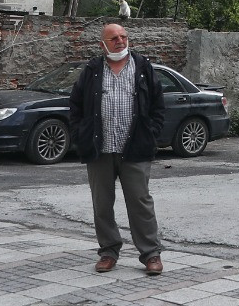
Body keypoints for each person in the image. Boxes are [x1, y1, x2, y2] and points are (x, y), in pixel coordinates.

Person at [67, 23, 166, 276]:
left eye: (123, 36)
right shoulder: (92, 70)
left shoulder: (142, 67)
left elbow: (158, 104)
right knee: (102, 204)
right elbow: (75, 105)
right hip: (100, 150)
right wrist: (80, 134)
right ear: (103, 44)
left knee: (140, 202)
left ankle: (151, 254)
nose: (120, 41)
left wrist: (151, 132)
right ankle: (109, 252)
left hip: (135, 149)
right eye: (113, 38)